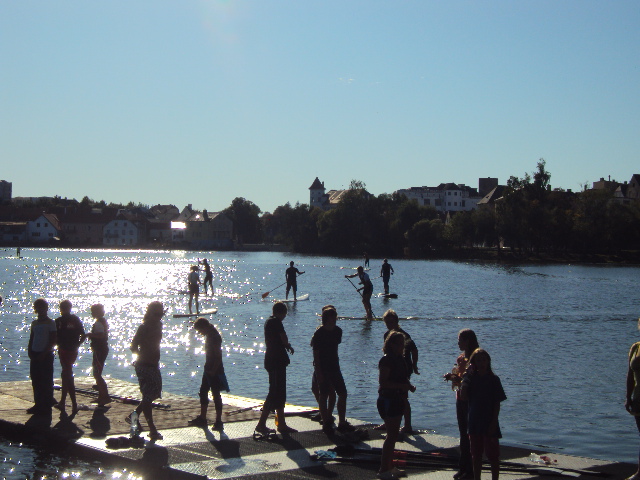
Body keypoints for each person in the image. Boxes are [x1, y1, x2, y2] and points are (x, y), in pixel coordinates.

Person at [460, 349, 507, 480]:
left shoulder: (493, 379)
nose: (481, 363)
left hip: (489, 420)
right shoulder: (471, 379)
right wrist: (465, 379)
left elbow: (497, 402)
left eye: (484, 360)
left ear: (488, 362)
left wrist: (494, 421)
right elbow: (463, 397)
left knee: (493, 455)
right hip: (474, 421)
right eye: (478, 360)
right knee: (476, 454)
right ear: (474, 363)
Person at [376, 331, 416, 480]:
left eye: (402, 344)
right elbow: (383, 382)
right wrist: (401, 386)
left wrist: (408, 385)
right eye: (398, 344)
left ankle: (390, 466)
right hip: (388, 399)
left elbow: (402, 378)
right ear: (391, 345)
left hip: (398, 398)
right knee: (391, 436)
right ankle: (383, 469)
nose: (401, 347)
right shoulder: (386, 360)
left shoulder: (401, 359)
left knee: (393, 436)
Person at [311, 305, 355, 435]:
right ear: (326, 319)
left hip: (334, 366)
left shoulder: (338, 331)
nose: (334, 320)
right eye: (332, 318)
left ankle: (342, 422)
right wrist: (318, 372)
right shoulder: (319, 334)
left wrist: (336, 364)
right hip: (323, 367)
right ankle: (326, 422)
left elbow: (335, 348)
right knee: (323, 394)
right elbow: (316, 354)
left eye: (335, 317)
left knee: (343, 393)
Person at [255, 302, 297, 435]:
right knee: (274, 392)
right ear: (282, 312)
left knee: (280, 392)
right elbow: (283, 338)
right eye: (285, 314)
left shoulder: (269, 321)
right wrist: (288, 345)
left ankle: (281, 423)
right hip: (275, 360)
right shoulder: (276, 322)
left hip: (275, 360)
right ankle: (261, 424)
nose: (285, 317)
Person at [444, 328, 480, 479]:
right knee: (463, 434)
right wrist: (453, 377)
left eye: (460, 340)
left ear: (468, 341)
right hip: (460, 398)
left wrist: (456, 379)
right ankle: (463, 467)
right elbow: (461, 379)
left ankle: (470, 470)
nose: (458, 343)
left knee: (469, 435)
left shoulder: (475, 358)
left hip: (470, 400)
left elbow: (470, 380)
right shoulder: (461, 358)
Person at [129, 301, 165, 440]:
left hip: (154, 364)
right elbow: (133, 345)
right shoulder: (144, 327)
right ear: (150, 313)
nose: (159, 317)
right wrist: (140, 356)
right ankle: (152, 429)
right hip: (144, 365)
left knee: (155, 393)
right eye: (156, 314)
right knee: (148, 396)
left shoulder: (159, 325)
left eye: (161, 314)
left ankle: (134, 415)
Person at [380, 309, 419, 434]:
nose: (389, 325)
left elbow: (414, 350)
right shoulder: (387, 335)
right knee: (388, 394)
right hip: (390, 366)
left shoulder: (403, 335)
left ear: (396, 321)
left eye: (391, 322)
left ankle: (407, 425)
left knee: (403, 397)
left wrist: (414, 365)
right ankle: (388, 421)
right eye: (387, 322)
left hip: (403, 367)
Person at [189, 317, 229, 430]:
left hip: (215, 369)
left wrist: (213, 370)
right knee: (203, 392)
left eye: (200, 331)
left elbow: (218, 356)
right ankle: (203, 418)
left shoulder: (214, 337)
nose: (200, 333)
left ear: (205, 327)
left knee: (216, 394)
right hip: (208, 368)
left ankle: (218, 421)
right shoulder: (209, 334)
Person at [55, 300, 86, 414]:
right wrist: (78, 344)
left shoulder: (58, 321)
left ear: (60, 309)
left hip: (64, 350)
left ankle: (73, 403)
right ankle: (63, 401)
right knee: (66, 374)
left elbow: (55, 336)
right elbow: (83, 335)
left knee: (67, 375)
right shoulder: (75, 319)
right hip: (73, 350)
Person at [27, 298, 57, 415]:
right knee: (36, 380)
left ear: (46, 308)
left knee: (46, 380)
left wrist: (44, 353)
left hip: (46, 354)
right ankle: (38, 404)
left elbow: (53, 340)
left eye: (42, 307)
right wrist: (30, 352)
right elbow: (32, 338)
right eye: (38, 307)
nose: (40, 309)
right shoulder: (34, 323)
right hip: (35, 353)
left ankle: (46, 404)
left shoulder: (51, 323)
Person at [87, 303, 110, 408]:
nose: (91, 313)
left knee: (97, 374)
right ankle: (101, 396)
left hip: (100, 350)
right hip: (102, 349)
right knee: (97, 372)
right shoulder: (102, 322)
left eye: (93, 312)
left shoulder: (99, 323)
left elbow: (100, 335)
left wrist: (89, 334)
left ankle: (105, 396)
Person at [625, 327, 640, 480]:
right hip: (638, 399)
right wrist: (628, 397)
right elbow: (630, 375)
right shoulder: (636, 347)